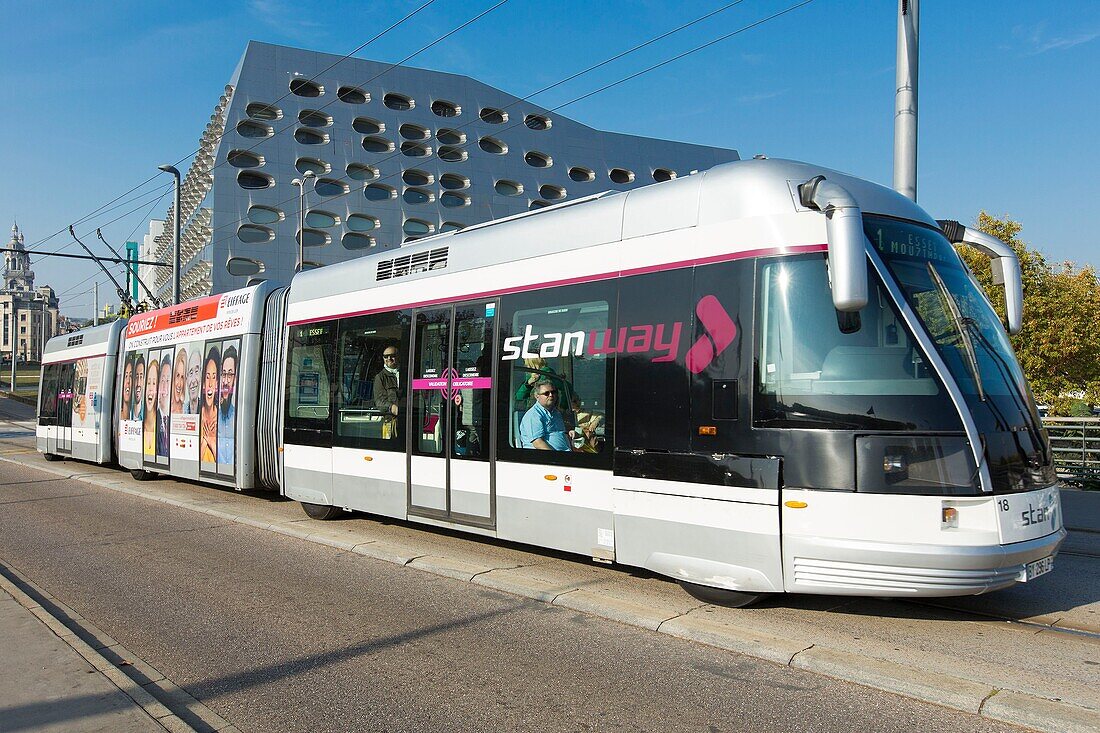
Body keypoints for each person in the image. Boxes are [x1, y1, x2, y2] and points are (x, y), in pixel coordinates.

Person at [518, 379, 573, 451]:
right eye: (546, 393)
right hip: (544, 458)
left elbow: (559, 433)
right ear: (537, 396)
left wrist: (570, 433)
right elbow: (538, 443)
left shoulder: (556, 413)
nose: (551, 395)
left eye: (553, 392)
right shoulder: (533, 415)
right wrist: (557, 458)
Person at [373, 342, 402, 439]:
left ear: (398, 356)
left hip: (408, 421)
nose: (389, 359)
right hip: (390, 422)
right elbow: (379, 401)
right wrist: (393, 408)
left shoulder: (406, 373)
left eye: (392, 356)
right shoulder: (380, 377)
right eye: (386, 356)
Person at [217, 345, 237, 466]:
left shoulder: (238, 416)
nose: (225, 381)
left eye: (230, 375)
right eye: (223, 374)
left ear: (235, 378)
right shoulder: (214, 414)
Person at [200, 347, 219, 465]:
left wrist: (211, 442)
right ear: (203, 384)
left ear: (217, 383)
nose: (210, 383)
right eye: (207, 377)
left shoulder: (221, 417)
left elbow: (227, 462)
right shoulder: (195, 414)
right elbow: (193, 462)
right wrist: (204, 442)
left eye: (214, 377)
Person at [143, 358, 159, 458]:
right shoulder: (137, 420)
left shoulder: (162, 424)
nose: (150, 389)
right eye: (148, 383)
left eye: (154, 383)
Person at [157, 357, 171, 457]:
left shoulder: (173, 418)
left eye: (168, 381)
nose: (165, 387)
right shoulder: (154, 417)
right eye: (162, 381)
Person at [186, 348, 202, 414]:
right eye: (191, 372)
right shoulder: (182, 411)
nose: (193, 380)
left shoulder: (205, 410)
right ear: (186, 378)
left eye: (196, 371)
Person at [171, 349, 187, 415]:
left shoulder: (186, 410)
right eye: (177, 376)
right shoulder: (165, 408)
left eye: (182, 377)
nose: (179, 384)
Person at [132, 355, 146, 422]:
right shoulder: (127, 413)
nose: (138, 384)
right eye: (137, 377)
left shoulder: (146, 414)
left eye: (141, 377)